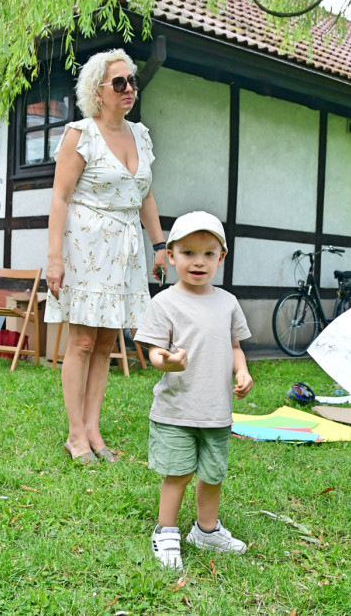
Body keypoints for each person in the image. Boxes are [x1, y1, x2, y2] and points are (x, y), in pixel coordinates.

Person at [45, 48, 167, 464]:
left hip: (126, 247)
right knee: (80, 341)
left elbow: (144, 193)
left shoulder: (142, 135)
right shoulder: (80, 135)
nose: (129, 88)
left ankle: (94, 430)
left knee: (104, 342)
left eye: (131, 81)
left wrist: (160, 244)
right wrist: (54, 258)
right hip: (87, 244)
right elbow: (60, 199)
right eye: (120, 82)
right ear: (98, 91)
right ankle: (75, 435)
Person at [134, 211, 253, 571]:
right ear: (170, 256)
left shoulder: (228, 302)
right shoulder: (164, 303)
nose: (198, 262)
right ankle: (166, 530)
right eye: (188, 253)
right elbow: (153, 350)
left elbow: (234, 346)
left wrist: (243, 369)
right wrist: (165, 361)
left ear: (221, 257)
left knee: (212, 474)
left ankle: (206, 529)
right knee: (178, 473)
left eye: (208, 254)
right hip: (176, 409)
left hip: (216, 410)